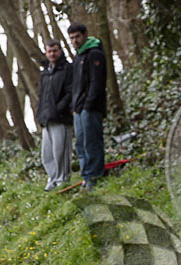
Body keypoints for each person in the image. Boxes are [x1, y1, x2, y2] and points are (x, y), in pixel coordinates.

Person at [67, 22, 107, 190]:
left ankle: (95, 176)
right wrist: (74, 107)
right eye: (72, 38)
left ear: (84, 35)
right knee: (81, 143)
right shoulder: (77, 57)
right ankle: (86, 176)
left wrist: (88, 105)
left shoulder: (95, 54)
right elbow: (76, 85)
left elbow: (96, 83)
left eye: (77, 37)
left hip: (91, 107)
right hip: (78, 109)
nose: (75, 41)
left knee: (92, 141)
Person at [37, 40, 73, 191]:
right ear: (46, 53)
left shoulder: (67, 69)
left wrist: (59, 109)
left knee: (61, 151)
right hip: (46, 119)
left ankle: (62, 179)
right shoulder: (45, 73)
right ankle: (52, 178)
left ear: (60, 51)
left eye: (55, 51)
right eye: (49, 51)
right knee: (47, 153)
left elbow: (70, 92)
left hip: (61, 118)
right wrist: (40, 113)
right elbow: (41, 95)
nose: (52, 54)